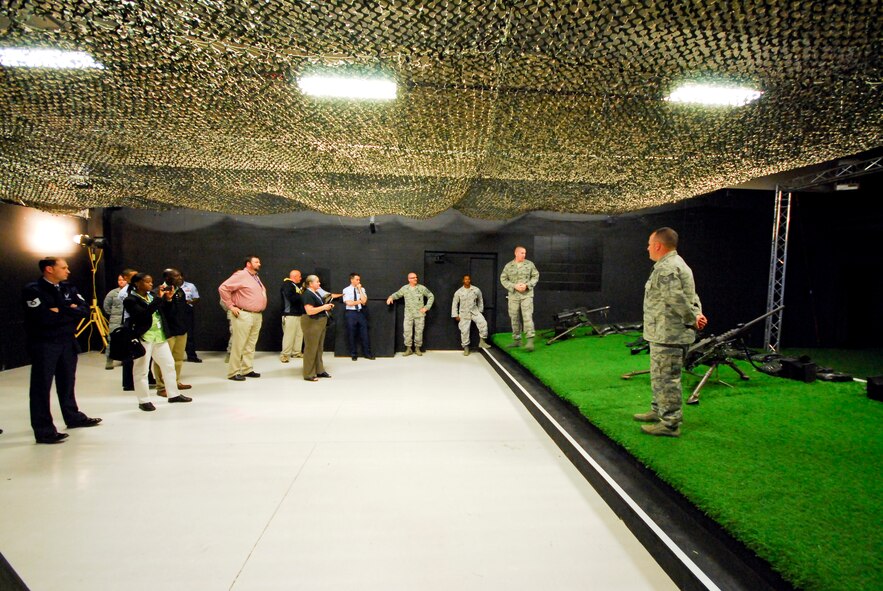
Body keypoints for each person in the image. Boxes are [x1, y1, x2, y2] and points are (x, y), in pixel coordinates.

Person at [634, 227, 707, 437]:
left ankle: (670, 424)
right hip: (664, 333)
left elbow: (675, 298)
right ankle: (658, 410)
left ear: (658, 245)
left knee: (667, 378)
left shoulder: (667, 268)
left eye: (649, 243)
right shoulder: (673, 264)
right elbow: (692, 296)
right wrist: (696, 314)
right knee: (660, 376)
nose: (647, 247)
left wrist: (693, 318)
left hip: (669, 335)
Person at [22, 257, 101, 443]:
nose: (68, 271)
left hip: (67, 341)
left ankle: (73, 417)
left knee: (67, 382)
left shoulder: (68, 287)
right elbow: (42, 317)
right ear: (49, 269)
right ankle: (44, 430)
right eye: (64, 267)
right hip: (45, 343)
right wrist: (68, 310)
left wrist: (61, 309)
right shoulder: (33, 289)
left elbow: (84, 309)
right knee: (41, 387)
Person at [123, 273, 192, 411]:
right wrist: (159, 298)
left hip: (159, 336)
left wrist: (168, 299)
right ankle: (143, 400)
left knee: (169, 365)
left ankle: (173, 394)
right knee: (141, 370)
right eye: (147, 282)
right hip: (144, 337)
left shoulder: (152, 296)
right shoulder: (130, 300)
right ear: (137, 283)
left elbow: (163, 311)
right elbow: (143, 315)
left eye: (151, 282)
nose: (150, 284)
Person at [218, 256, 267, 381]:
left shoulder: (255, 277)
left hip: (256, 315)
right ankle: (233, 372)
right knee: (239, 344)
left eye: (259, 261)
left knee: (250, 344)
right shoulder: (241, 275)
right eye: (256, 262)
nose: (259, 263)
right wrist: (230, 306)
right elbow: (223, 288)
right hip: (244, 314)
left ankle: (247, 369)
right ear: (248, 264)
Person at [152, 268, 192, 397]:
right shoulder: (158, 292)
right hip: (167, 331)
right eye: (176, 276)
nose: (180, 278)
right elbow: (158, 310)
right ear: (167, 278)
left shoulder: (180, 291)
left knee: (178, 359)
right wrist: (167, 300)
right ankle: (162, 386)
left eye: (180, 275)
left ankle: (174, 382)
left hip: (181, 329)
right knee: (162, 360)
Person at [500, 246, 539, 351]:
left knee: (527, 316)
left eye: (525, 253)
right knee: (514, 317)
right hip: (513, 296)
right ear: (516, 253)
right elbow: (503, 279)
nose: (524, 255)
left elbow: (535, 276)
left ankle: (530, 340)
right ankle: (517, 340)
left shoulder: (529, 264)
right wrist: (514, 286)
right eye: (522, 253)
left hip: (526, 295)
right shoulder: (509, 266)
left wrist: (527, 285)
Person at [386, 273, 434, 356]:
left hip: (419, 315)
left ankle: (417, 348)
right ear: (409, 279)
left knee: (419, 332)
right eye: (413, 278)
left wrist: (426, 307)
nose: (415, 279)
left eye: (416, 277)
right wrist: (391, 297)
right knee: (407, 332)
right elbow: (397, 294)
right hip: (408, 315)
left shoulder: (421, 288)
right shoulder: (405, 288)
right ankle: (408, 349)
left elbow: (431, 296)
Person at [301, 275, 334, 382]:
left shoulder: (316, 293)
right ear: (310, 283)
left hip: (319, 322)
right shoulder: (307, 294)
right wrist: (324, 307)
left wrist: (326, 307)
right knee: (311, 349)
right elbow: (309, 311)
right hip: (312, 323)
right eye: (317, 282)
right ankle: (308, 374)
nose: (319, 284)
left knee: (319, 348)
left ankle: (319, 370)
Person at [451, 274, 492, 355]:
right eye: (465, 279)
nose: (467, 281)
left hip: (474, 312)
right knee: (464, 331)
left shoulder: (476, 290)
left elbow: (480, 300)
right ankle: (466, 347)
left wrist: (480, 311)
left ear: (470, 280)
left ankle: (482, 341)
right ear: (463, 281)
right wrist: (455, 315)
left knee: (483, 323)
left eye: (468, 279)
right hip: (464, 313)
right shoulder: (459, 292)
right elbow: (454, 304)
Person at [342, 273, 374, 360]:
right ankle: (353, 354)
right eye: (357, 279)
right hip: (350, 313)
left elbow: (364, 301)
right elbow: (348, 303)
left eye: (359, 280)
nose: (359, 281)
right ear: (351, 280)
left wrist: (359, 290)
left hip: (360, 313)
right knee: (352, 334)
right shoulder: (346, 290)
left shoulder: (362, 289)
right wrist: (359, 301)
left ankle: (367, 353)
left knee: (364, 333)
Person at [116, 268, 138, 390]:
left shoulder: (137, 288)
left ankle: (148, 377)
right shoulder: (124, 292)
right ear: (126, 278)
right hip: (130, 323)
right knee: (129, 354)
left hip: (140, 322)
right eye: (133, 276)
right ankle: (128, 383)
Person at [102, 273, 128, 369]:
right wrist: (114, 314)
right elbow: (106, 307)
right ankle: (109, 360)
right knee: (113, 340)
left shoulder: (131, 292)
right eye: (119, 280)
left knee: (126, 341)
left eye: (123, 280)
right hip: (115, 320)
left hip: (127, 320)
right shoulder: (112, 293)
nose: (121, 282)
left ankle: (124, 359)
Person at [280, 269, 305, 363]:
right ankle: (285, 355)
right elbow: (291, 298)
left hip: (298, 314)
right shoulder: (287, 285)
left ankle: (296, 352)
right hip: (290, 314)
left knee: (299, 334)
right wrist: (303, 295)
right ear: (294, 276)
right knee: (289, 335)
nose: (300, 278)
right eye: (299, 276)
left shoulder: (294, 285)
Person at [181, 273, 202, 363]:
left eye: (180, 276)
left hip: (187, 310)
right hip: (173, 311)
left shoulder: (190, 286)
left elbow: (197, 298)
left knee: (189, 334)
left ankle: (191, 356)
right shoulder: (169, 287)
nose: (178, 278)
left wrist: (190, 301)